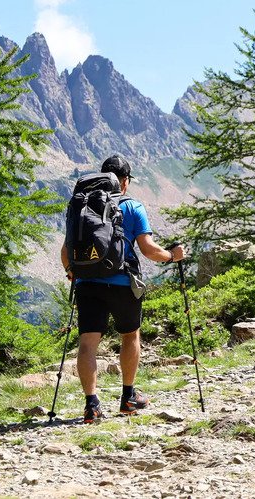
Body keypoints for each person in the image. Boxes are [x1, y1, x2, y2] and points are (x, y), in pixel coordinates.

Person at [60, 154, 185, 422]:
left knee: (88, 344)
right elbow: (149, 250)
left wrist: (73, 273)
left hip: (87, 284)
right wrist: (173, 256)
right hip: (122, 282)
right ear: (125, 182)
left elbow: (65, 252)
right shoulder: (132, 207)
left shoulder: (84, 206)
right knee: (130, 335)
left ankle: (91, 405)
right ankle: (128, 397)